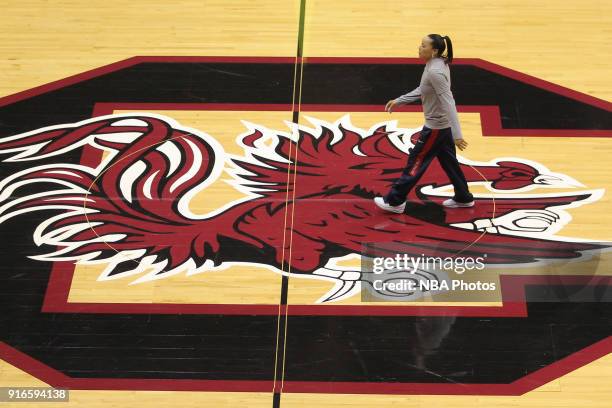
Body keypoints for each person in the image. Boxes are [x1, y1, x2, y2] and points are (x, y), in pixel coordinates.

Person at [374, 34, 474, 214]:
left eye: (423, 46)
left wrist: (457, 135)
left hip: (435, 128)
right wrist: (400, 100)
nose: (419, 48)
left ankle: (395, 201)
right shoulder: (437, 63)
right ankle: (463, 197)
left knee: (416, 161)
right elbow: (424, 89)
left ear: (434, 50)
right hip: (441, 128)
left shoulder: (435, 72)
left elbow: (448, 102)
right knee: (450, 163)